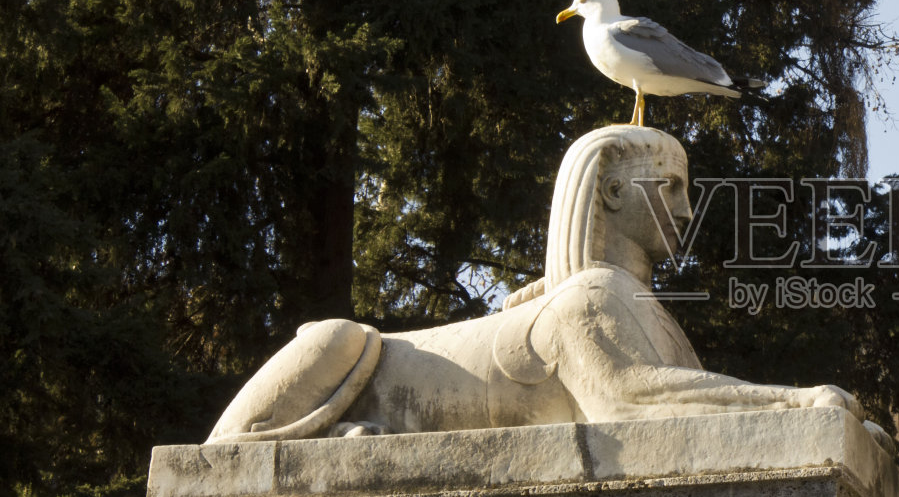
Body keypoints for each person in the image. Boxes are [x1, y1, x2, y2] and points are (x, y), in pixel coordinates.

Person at [205, 125, 860, 442]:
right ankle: (269, 446)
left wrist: (799, 413)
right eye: (671, 189)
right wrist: (797, 407)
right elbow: (629, 405)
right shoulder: (586, 301)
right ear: (611, 191)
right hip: (358, 380)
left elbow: (676, 396)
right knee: (344, 337)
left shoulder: (631, 303)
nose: (688, 211)